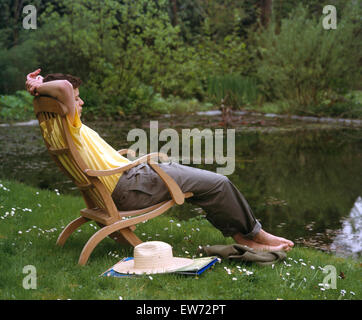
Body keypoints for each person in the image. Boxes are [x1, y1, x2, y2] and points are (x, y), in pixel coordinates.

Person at [26, 68, 294, 252]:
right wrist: (37, 85)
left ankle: (247, 233)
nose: (80, 102)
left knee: (197, 180)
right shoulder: (68, 120)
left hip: (130, 179)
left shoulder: (54, 125)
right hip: (130, 187)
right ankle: (251, 235)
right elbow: (61, 87)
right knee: (219, 182)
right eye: (76, 97)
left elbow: (61, 90)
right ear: (62, 101)